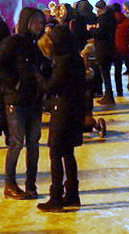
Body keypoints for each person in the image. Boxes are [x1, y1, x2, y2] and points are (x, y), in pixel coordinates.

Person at [0, 6, 47, 199]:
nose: (41, 25)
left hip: (33, 100)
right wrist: (15, 83)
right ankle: (10, 184)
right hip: (16, 100)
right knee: (16, 142)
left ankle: (31, 184)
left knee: (33, 143)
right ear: (27, 22)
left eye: (42, 22)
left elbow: (42, 68)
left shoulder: (35, 45)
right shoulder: (14, 42)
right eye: (38, 21)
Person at [37, 23, 86, 212]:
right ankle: (72, 193)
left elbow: (51, 87)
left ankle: (56, 196)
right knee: (68, 152)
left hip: (63, 110)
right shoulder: (74, 57)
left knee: (56, 152)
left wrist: (38, 76)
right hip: (74, 110)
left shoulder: (64, 61)